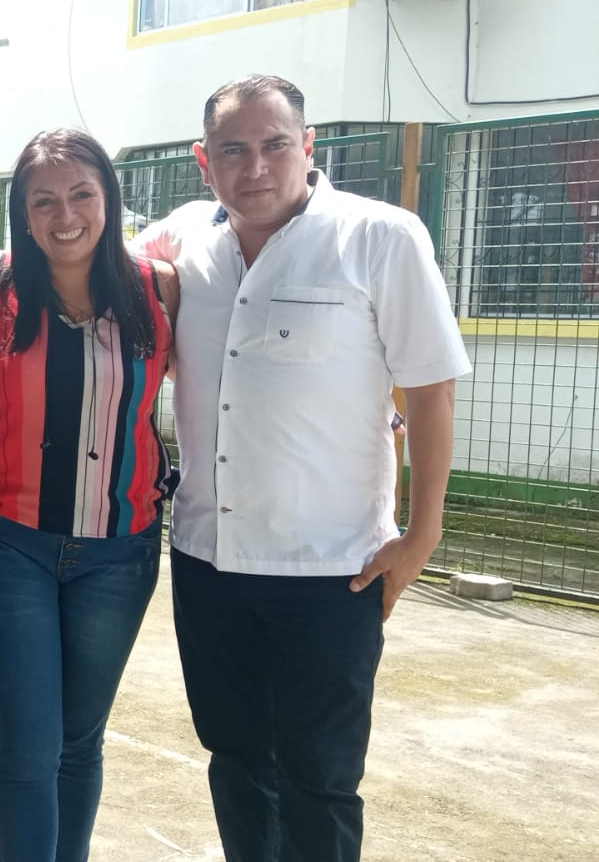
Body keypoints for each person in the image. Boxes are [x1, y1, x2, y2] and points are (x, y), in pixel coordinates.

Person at [133, 74, 469, 860]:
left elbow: (430, 389)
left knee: (319, 778)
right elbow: (74, 246)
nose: (254, 167)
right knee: (235, 761)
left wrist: (421, 534)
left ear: (308, 145)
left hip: (330, 569)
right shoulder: (186, 240)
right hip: (208, 560)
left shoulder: (378, 237)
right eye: (232, 150)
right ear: (202, 160)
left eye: (274, 145)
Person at [0, 129, 177, 862]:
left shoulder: (160, 289)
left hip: (120, 552)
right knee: (27, 747)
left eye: (82, 194)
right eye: (43, 201)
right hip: (8, 543)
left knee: (79, 742)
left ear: (110, 197)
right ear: (22, 212)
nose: (65, 215)